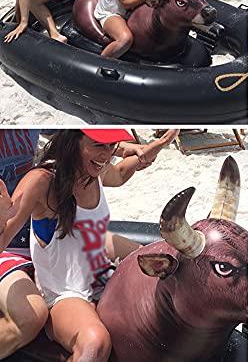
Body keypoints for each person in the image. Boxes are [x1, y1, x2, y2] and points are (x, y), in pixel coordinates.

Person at [0, 128, 179, 360]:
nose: (106, 155)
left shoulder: (96, 170)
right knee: (95, 343)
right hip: (63, 289)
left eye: (111, 145)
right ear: (73, 141)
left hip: (97, 271)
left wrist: (146, 153)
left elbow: (120, 173)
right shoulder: (42, 182)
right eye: (98, 145)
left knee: (163, 260)